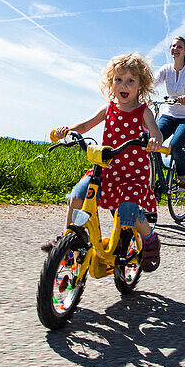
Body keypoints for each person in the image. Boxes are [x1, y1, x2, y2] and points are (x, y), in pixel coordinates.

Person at [44, 53, 164, 271]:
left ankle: (150, 240)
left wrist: (155, 139)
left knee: (128, 211)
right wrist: (67, 131)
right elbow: (84, 126)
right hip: (106, 171)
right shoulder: (108, 109)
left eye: (130, 80)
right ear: (111, 83)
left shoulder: (143, 111)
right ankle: (68, 239)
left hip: (132, 176)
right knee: (78, 195)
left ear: (140, 86)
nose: (123, 85)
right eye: (118, 79)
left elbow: (155, 131)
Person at [152, 36, 185, 193]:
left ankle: (184, 179)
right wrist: (139, 90)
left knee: (174, 146)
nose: (175, 49)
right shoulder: (166, 69)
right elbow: (153, 81)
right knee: (151, 141)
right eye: (173, 46)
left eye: (179, 47)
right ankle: (154, 177)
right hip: (170, 114)